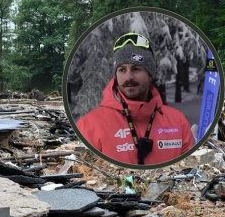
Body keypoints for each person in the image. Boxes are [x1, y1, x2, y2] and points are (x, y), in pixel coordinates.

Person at [76, 32, 193, 165]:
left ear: (150, 74)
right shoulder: (89, 125)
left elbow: (189, 170)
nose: (128, 77)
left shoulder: (177, 121)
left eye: (136, 69)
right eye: (122, 70)